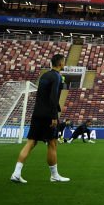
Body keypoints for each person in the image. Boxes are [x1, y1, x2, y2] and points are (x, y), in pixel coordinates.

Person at [10, 53, 70, 183]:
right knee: (52, 143)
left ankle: (16, 172)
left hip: (37, 113)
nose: (64, 64)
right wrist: (54, 116)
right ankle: (54, 175)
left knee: (31, 142)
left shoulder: (44, 75)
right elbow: (53, 97)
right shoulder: (57, 77)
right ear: (60, 63)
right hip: (49, 115)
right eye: (64, 62)